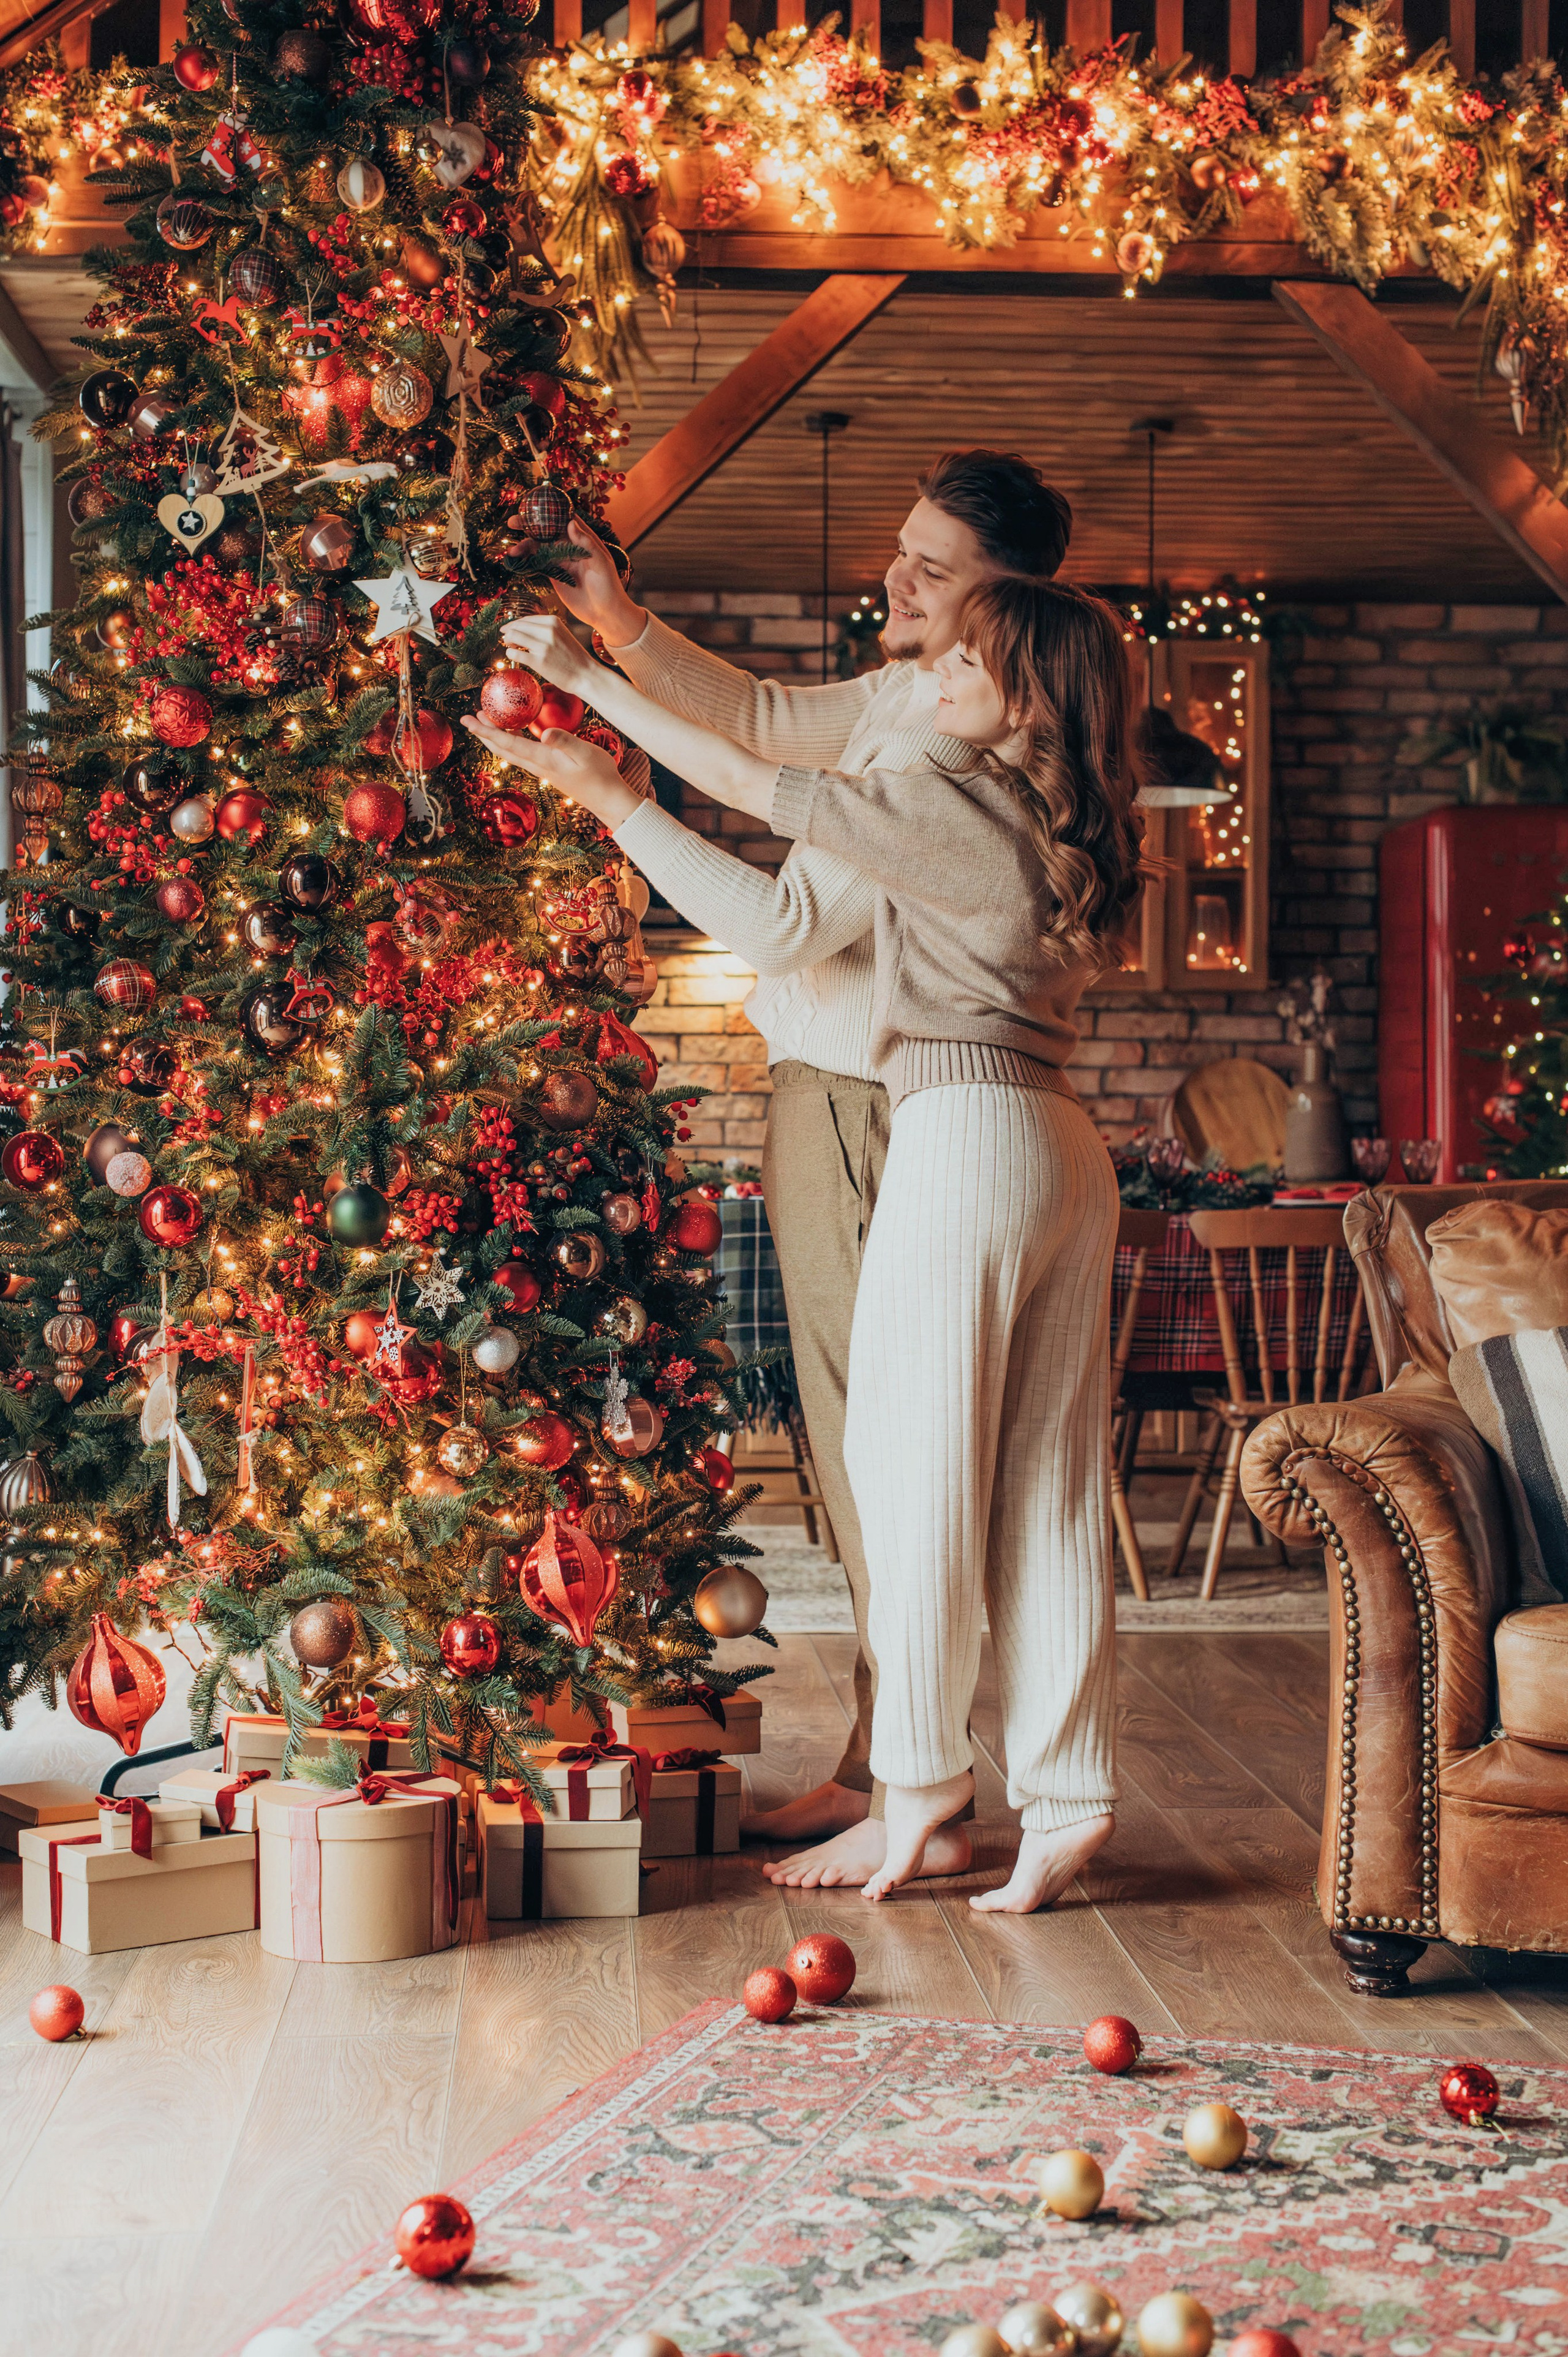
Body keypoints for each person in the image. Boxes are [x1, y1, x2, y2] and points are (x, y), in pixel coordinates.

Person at [464, 576, 1146, 1912]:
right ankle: (1069, 1799)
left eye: (964, 663)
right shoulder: (1065, 820)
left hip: (965, 1134)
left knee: (908, 1477)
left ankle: (919, 1794)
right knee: (1049, 1492)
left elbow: (749, 772)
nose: (932, 673)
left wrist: (593, 702)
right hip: (1061, 1143)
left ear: (1026, 698)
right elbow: (769, 743)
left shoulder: (947, 793)